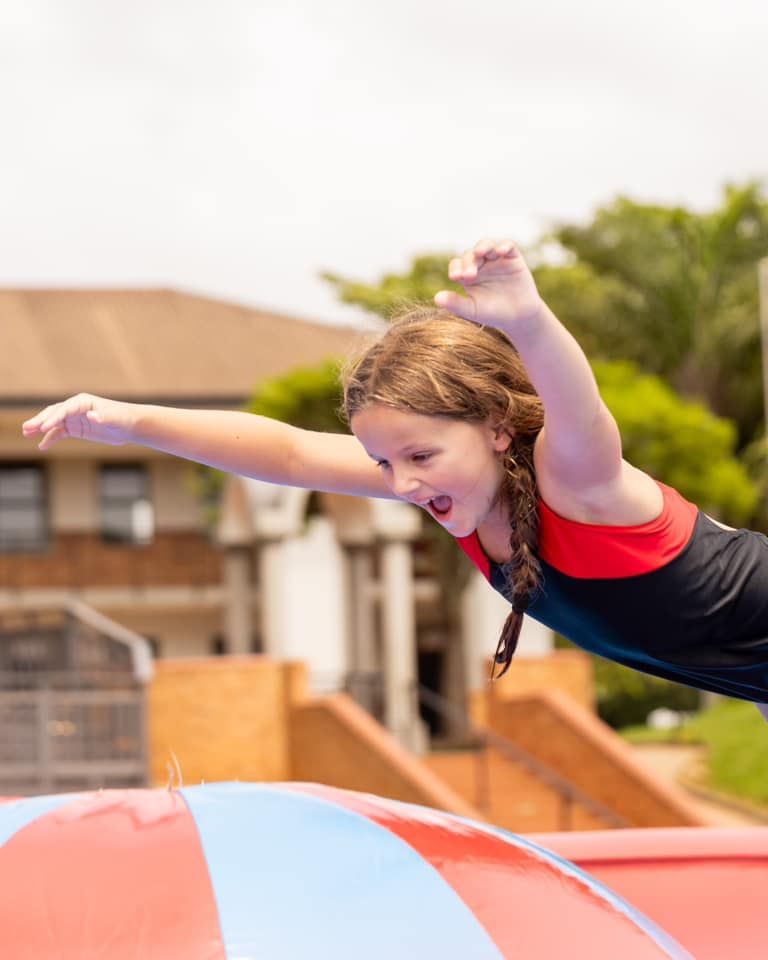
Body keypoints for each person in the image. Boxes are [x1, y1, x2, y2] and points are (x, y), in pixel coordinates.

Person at [22, 239, 768, 719]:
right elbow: (290, 455)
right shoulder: (459, 488)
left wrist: (529, 322)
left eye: (419, 457)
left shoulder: (570, 480)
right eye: (384, 463)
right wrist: (128, 421)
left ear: (496, 426)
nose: (401, 483)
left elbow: (582, 411)